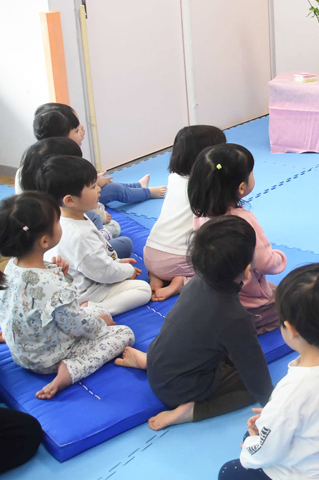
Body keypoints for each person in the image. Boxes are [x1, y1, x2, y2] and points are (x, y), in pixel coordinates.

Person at [115, 216, 274, 430]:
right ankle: (193, 411)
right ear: (247, 271)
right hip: (179, 391)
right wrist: (273, 405)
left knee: (215, 346)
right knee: (247, 387)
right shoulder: (234, 316)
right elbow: (255, 373)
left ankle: (147, 361)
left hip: (159, 364)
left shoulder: (196, 282)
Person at [218, 264, 319, 480]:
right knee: (256, 430)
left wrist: (249, 447)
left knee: (230, 471)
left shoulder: (292, 391)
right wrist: (273, 418)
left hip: (308, 475)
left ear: (290, 329)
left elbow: (268, 453)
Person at [0, 192, 135, 399]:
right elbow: (76, 324)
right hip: (49, 359)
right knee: (124, 333)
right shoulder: (53, 286)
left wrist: (59, 275)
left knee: (94, 310)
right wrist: (101, 324)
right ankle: (71, 371)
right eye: (57, 221)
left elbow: (38, 298)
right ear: (44, 241)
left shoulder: (10, 267)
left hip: (22, 353)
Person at [189, 144, 286, 334]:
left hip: (213, 294)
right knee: (289, 302)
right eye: (251, 173)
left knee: (272, 289)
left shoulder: (200, 213)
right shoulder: (243, 221)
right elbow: (265, 262)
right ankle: (249, 326)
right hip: (247, 301)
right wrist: (279, 258)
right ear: (241, 187)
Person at [37, 156, 152, 315]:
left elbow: (96, 259)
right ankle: (90, 312)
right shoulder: (79, 234)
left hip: (81, 280)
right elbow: (104, 273)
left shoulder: (68, 217)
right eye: (92, 187)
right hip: (83, 291)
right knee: (143, 289)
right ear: (70, 200)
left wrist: (116, 261)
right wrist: (127, 271)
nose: (99, 189)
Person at [145, 125, 227, 301]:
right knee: (224, 265)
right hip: (177, 261)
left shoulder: (173, 177)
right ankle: (180, 282)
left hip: (150, 254)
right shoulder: (207, 186)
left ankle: (156, 276)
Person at [33, 102, 166, 202]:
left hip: (75, 196)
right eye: (77, 130)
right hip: (74, 204)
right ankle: (148, 193)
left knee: (107, 181)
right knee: (115, 190)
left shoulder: (47, 153)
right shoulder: (56, 164)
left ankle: (137, 186)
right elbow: (72, 191)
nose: (83, 130)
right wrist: (95, 185)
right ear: (61, 138)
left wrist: (95, 180)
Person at [16, 137, 126, 256]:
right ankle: (102, 235)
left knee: (96, 214)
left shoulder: (36, 183)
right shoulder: (55, 215)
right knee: (123, 240)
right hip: (75, 248)